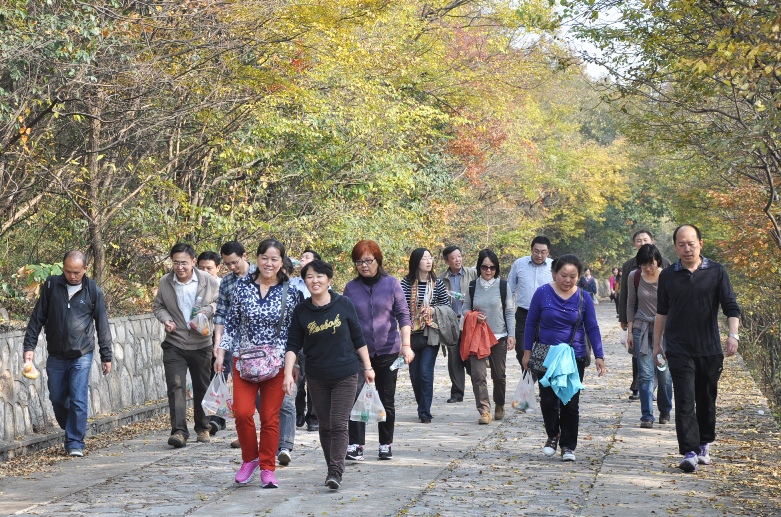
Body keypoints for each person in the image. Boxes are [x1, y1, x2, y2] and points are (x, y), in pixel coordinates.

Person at [653, 225, 740, 473]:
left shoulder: (716, 271)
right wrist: (657, 344)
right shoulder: (668, 275)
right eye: (681, 244)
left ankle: (704, 443)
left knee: (706, 400)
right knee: (684, 399)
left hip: (710, 349)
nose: (687, 248)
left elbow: (731, 306)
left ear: (700, 243)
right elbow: (662, 312)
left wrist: (733, 335)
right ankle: (689, 452)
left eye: (691, 243)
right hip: (679, 348)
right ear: (675, 247)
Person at [215, 238, 300, 488]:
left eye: (275, 259)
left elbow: (294, 333)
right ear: (257, 258)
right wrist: (221, 351)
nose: (269, 263)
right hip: (245, 361)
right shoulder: (242, 287)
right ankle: (249, 459)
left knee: (270, 417)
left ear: (281, 262)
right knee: (242, 412)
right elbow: (231, 323)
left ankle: (267, 468)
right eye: (265, 258)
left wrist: (291, 366)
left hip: (276, 364)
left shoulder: (291, 292)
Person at [283, 260, 375, 490]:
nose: (315, 281)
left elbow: (358, 337)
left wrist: (368, 366)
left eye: (320, 276)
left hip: (345, 373)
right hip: (316, 376)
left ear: (329, 280)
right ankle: (331, 468)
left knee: (338, 423)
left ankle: (336, 471)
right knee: (324, 426)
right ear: (305, 281)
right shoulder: (302, 310)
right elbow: (293, 344)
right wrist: (287, 374)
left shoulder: (343, 304)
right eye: (310, 277)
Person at [23, 251, 113, 457]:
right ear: (62, 268)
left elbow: (102, 324)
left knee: (78, 397)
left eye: (76, 272)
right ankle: (70, 426)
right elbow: (37, 319)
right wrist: (29, 348)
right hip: (56, 354)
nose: (72, 276)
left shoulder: (92, 290)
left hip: (82, 353)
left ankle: (75, 442)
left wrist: (106, 356)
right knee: (56, 397)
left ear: (85, 270)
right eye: (68, 271)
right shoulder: (51, 286)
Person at [522, 254, 606, 462]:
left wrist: (599, 355)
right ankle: (553, 434)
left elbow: (592, 327)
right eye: (563, 275)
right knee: (548, 400)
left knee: (570, 402)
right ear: (554, 274)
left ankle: (568, 445)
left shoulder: (584, 297)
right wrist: (527, 352)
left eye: (573, 276)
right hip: (544, 352)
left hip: (573, 355)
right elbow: (531, 323)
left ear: (579, 277)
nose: (567, 280)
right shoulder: (542, 293)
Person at [343, 240, 412, 461]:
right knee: (355, 398)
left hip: (388, 351)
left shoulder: (392, 284)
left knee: (386, 398)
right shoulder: (351, 288)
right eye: (359, 262)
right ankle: (356, 444)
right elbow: (346, 320)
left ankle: (385, 443)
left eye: (368, 261)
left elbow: (403, 315)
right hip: (358, 353)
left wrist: (406, 345)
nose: (364, 266)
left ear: (378, 260)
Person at [153, 243, 220, 448]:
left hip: (202, 343)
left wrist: (207, 311)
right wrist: (166, 320)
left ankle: (203, 427)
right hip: (175, 343)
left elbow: (221, 303)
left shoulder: (207, 280)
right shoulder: (166, 282)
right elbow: (158, 306)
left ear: (193, 261)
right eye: (175, 262)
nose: (179, 267)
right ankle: (179, 432)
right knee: (176, 387)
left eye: (183, 262)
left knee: (202, 387)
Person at [461, 248, 515, 424]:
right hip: (477, 337)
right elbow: (464, 309)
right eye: (485, 267)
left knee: (499, 375)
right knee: (478, 375)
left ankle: (499, 403)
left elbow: (509, 312)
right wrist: (474, 316)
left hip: (498, 337)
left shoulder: (502, 285)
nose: (488, 271)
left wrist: (511, 335)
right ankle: (484, 410)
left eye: (492, 267)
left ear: (497, 268)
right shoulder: (472, 286)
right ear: (479, 267)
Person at [212, 241, 257, 445]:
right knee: (241, 397)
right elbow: (221, 314)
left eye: (235, 262)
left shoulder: (261, 274)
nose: (231, 267)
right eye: (227, 264)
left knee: (263, 398)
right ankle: (245, 435)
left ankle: (266, 437)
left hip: (262, 345)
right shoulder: (227, 282)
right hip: (237, 344)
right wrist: (219, 344)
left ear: (245, 256)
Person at [619, 230, 671, 400]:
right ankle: (641, 392)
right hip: (640, 324)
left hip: (663, 326)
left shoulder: (667, 268)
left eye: (645, 240)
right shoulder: (629, 268)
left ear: (652, 241)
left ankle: (663, 402)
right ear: (634, 243)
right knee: (641, 361)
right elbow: (627, 296)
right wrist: (625, 321)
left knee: (663, 368)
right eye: (638, 240)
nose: (641, 243)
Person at [400, 248, 450, 423]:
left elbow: (446, 305)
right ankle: (422, 405)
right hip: (411, 335)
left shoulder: (437, 283)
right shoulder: (405, 283)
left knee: (425, 373)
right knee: (414, 375)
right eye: (424, 259)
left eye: (430, 258)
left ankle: (425, 412)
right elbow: (399, 307)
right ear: (416, 262)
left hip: (431, 334)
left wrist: (433, 310)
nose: (428, 261)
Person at [626, 244, 672, 428]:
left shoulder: (668, 277)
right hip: (641, 329)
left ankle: (665, 410)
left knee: (664, 375)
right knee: (645, 374)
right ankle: (647, 415)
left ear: (658, 261)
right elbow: (630, 303)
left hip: (665, 331)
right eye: (644, 264)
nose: (647, 268)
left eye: (651, 264)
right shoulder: (634, 276)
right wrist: (630, 331)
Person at [437, 245, 477, 404]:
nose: (457, 260)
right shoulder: (441, 279)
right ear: (447, 260)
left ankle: (478, 389)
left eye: (459, 256)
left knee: (472, 357)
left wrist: (471, 297)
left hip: (469, 321)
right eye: (453, 258)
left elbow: (483, 291)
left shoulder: (472, 274)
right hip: (451, 322)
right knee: (454, 359)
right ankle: (457, 393)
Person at [507, 236, 553, 367]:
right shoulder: (519, 264)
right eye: (536, 251)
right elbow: (509, 289)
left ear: (548, 252)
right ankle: (528, 376)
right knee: (521, 350)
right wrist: (508, 310)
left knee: (543, 352)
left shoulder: (554, 266)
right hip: (524, 315)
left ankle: (538, 379)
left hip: (545, 316)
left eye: (543, 252)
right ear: (531, 250)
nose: (539, 255)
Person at [291, 249, 322, 433]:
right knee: (298, 377)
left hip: (316, 337)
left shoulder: (324, 285)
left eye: (307, 258)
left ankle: (313, 417)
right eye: (301, 257)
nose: (303, 260)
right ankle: (298, 411)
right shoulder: (293, 283)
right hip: (298, 335)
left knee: (314, 377)